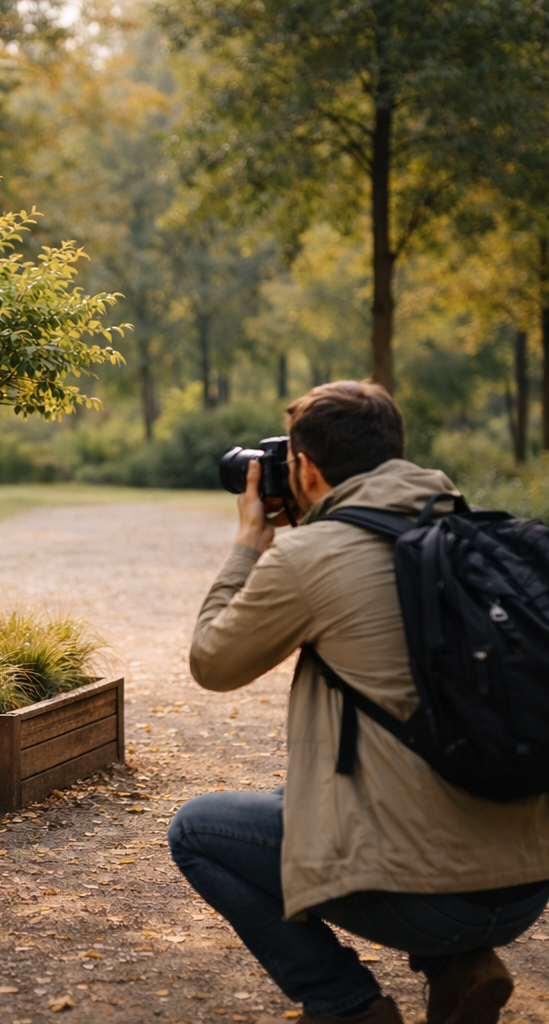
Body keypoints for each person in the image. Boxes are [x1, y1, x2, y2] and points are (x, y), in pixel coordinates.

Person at [168, 381, 549, 1024]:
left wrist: (249, 546)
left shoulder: (311, 554)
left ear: (307, 469)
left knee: (197, 831)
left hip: (432, 900)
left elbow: (212, 661)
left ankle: (345, 1003)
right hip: (526, 885)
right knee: (311, 791)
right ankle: (460, 965)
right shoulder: (475, 535)